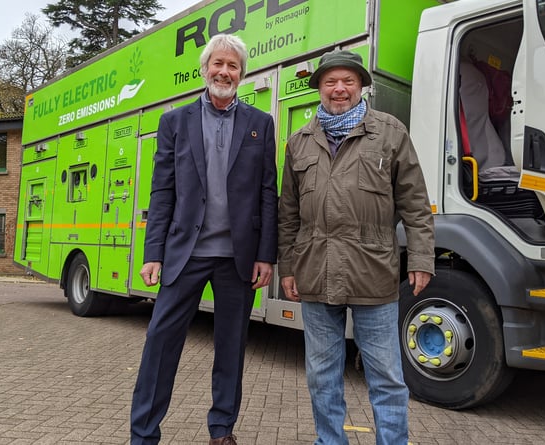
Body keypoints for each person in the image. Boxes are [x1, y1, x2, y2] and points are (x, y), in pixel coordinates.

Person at [277, 50, 435, 445]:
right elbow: (288, 214)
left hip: (373, 271)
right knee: (321, 374)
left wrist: (420, 257)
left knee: (386, 376)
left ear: (362, 85)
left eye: (348, 80)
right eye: (330, 82)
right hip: (315, 270)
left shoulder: (390, 132)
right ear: (319, 88)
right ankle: (330, 441)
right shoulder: (298, 143)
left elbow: (415, 203)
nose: (339, 89)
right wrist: (288, 267)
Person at [130, 34, 278, 445]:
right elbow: (162, 191)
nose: (224, 72)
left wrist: (266, 254)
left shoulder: (260, 124)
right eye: (218, 64)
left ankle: (221, 431)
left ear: (242, 74)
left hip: (238, 258)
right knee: (160, 346)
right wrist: (153, 252)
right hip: (184, 253)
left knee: (231, 348)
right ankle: (143, 434)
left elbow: (269, 191)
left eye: (233, 66)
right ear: (205, 69)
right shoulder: (174, 122)